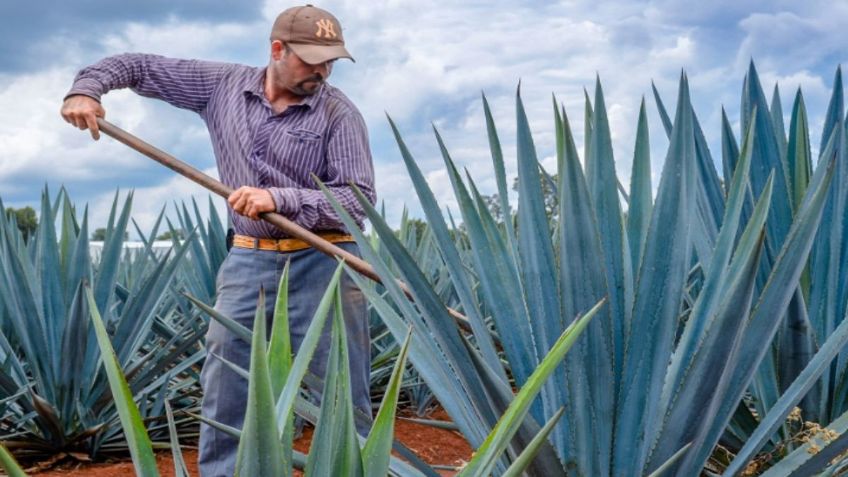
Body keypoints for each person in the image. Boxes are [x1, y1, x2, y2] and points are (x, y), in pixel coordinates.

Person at [60, 5, 374, 476]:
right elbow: (139, 67)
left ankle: (352, 469)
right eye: (311, 59)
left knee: (338, 387)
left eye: (330, 61)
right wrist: (86, 89)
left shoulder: (339, 112)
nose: (322, 71)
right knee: (226, 381)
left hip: (324, 262)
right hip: (248, 262)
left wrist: (280, 198)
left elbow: (358, 201)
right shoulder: (221, 86)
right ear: (276, 49)